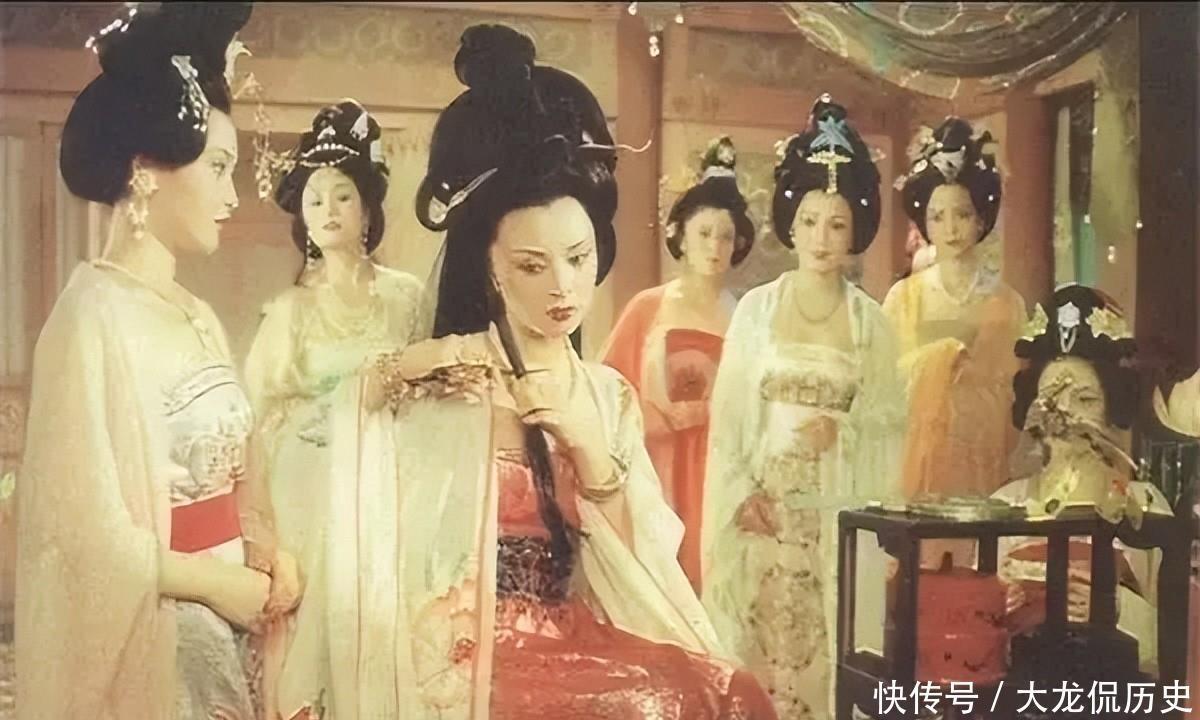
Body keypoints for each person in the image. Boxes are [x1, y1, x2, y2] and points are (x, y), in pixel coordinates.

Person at [281, 24, 778, 720]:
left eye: (577, 258)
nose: (562, 287)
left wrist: (588, 448)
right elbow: (352, 443)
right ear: (489, 267)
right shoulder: (449, 377)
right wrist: (416, 361)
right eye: (531, 265)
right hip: (461, 644)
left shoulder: (605, 396)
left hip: (572, 632)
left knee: (721, 693)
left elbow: (644, 571)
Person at [15, 4, 300, 718]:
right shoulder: (90, 317)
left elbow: (240, 471)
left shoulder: (197, 314)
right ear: (146, 171)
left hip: (233, 612)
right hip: (166, 627)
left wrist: (266, 549)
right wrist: (211, 584)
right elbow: (79, 533)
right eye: (220, 169)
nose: (233, 196)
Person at [701, 96, 905, 719]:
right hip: (764, 513)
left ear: (855, 231)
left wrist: (842, 430)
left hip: (834, 521)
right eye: (810, 220)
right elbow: (728, 423)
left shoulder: (871, 323)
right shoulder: (756, 311)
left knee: (827, 657)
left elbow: (889, 425)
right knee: (757, 657)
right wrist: (741, 497)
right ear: (790, 222)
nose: (821, 237)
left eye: (836, 224)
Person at [244, 99, 426, 718]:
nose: (327, 210)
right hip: (307, 483)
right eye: (314, 198)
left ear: (368, 207)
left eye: (342, 196)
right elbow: (260, 416)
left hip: (386, 479)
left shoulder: (406, 298)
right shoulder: (290, 310)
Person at [600, 135, 755, 591]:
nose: (715, 246)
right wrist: (656, 419)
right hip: (658, 464)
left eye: (725, 236)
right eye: (704, 234)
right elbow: (609, 388)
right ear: (681, 237)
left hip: (719, 469)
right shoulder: (649, 308)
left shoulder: (745, 316)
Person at [994, 284, 1171, 674]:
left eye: (1086, 399)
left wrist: (1113, 609)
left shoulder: (1144, 504)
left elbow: (1176, 634)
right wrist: (996, 607)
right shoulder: (1005, 504)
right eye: (1051, 398)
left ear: (1111, 408)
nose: (1066, 414)